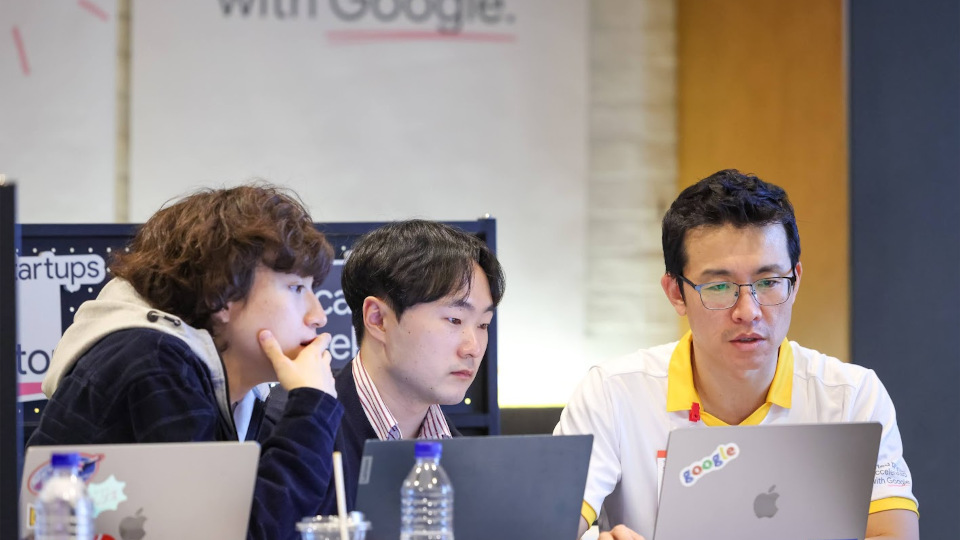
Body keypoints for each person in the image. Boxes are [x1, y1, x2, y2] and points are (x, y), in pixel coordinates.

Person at [555, 169, 918, 540]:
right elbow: (547, 527)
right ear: (676, 293)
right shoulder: (613, 394)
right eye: (719, 286)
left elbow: (893, 534)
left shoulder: (850, 397)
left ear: (795, 282)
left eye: (769, 282)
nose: (748, 311)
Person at [29, 184, 343, 540]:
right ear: (223, 293)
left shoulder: (222, 385)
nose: (318, 316)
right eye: (296, 288)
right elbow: (233, 535)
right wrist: (312, 408)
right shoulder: (154, 362)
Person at [315, 219, 505, 510]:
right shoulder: (303, 431)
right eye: (455, 320)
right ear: (378, 319)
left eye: (483, 324)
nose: (474, 348)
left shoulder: (467, 461)